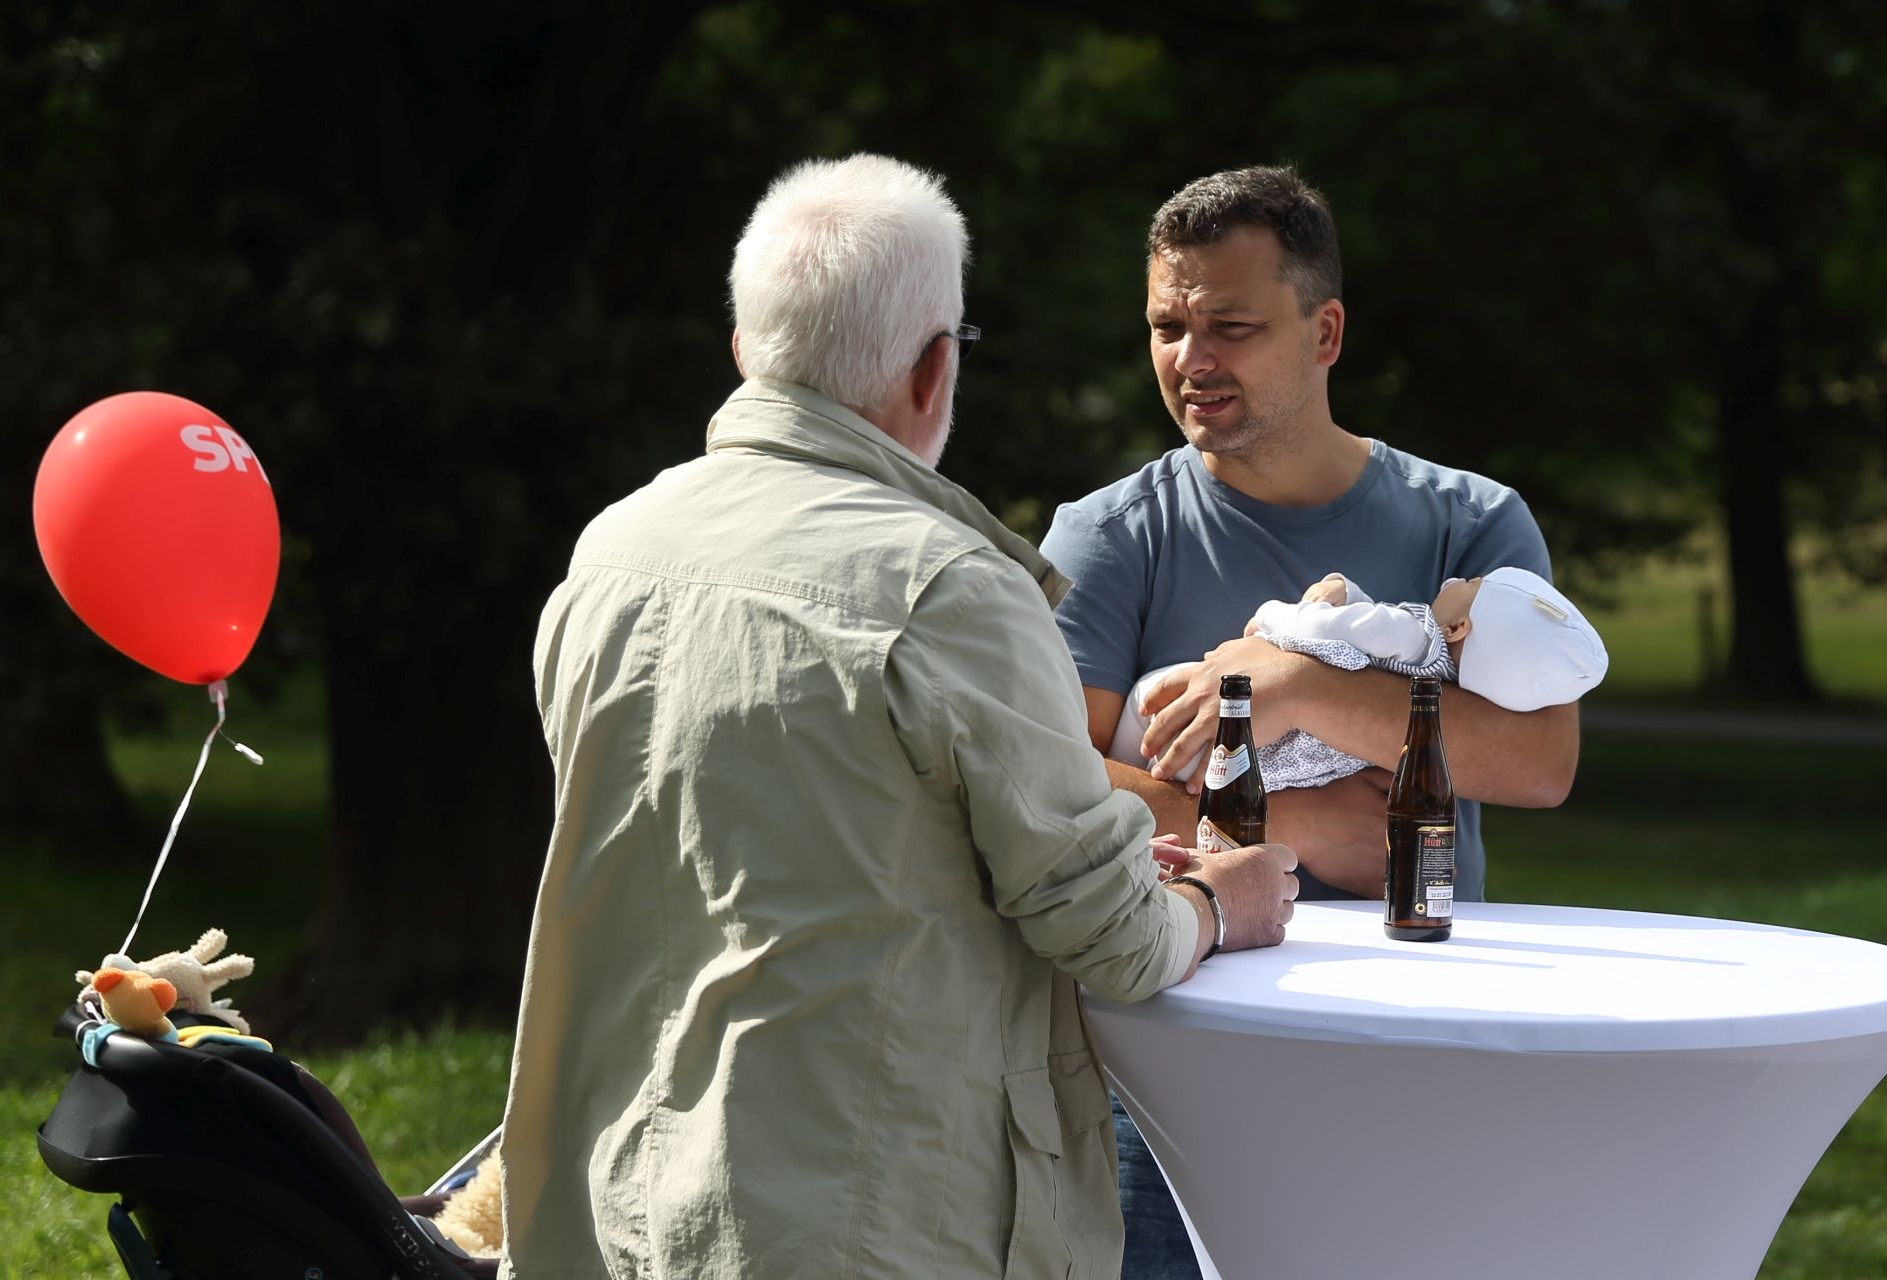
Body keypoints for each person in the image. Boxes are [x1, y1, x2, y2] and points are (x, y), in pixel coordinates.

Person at [496, 154, 1300, 1280]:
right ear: (934, 369)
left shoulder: (614, 549)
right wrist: (1220, 901)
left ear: (746, 349)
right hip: (868, 1211)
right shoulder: (951, 588)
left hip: (626, 1188)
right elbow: (1116, 939)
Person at [1037, 165, 1582, 1279]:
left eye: (1230, 327)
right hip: (1168, 1060)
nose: (1191, 360)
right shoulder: (1108, 535)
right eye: (1168, 327)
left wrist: (1301, 686)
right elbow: (1045, 777)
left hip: (1418, 1039)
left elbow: (1540, 761)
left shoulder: (1471, 524)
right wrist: (1284, 823)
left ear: (1325, 332)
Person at [1113, 567, 1609, 790]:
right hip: (1275, 764)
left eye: (1473, 584)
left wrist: (1270, 618)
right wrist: (1345, 591)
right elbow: (1365, 637)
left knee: (1145, 705)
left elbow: (1331, 629)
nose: (1459, 579)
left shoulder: (1413, 635)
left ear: (1459, 627)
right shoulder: (1442, 681)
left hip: (1217, 715)